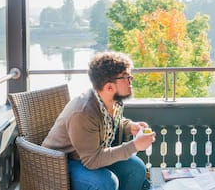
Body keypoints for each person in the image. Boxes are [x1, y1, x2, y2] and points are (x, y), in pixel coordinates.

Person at [42, 51, 156, 190]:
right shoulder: (83, 112)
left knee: (136, 168)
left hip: (87, 154)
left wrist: (129, 126)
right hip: (60, 162)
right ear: (109, 87)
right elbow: (92, 160)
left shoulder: (113, 100)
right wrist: (135, 146)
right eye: (126, 78)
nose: (131, 81)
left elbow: (110, 122)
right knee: (106, 183)